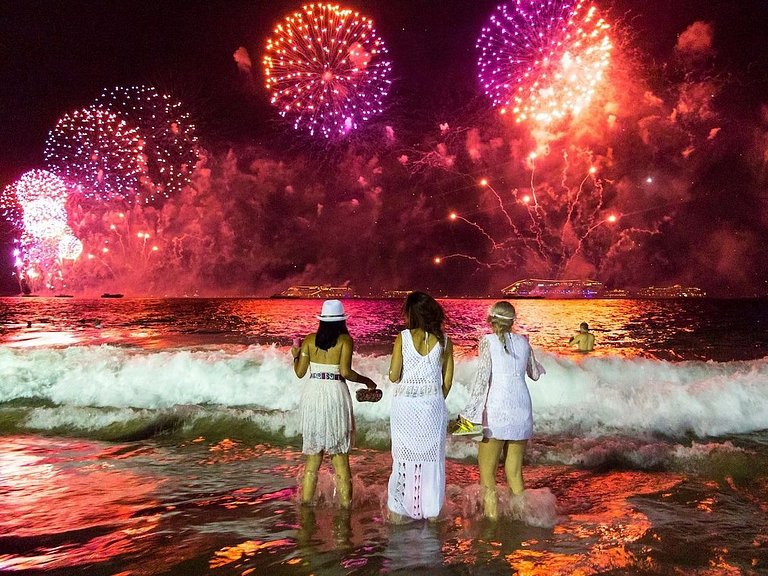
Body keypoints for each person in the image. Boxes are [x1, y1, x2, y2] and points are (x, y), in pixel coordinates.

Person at [458, 301, 545, 520]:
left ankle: (492, 523)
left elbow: (482, 380)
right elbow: (534, 374)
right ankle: (523, 519)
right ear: (512, 321)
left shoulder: (487, 341)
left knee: (488, 476)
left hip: (497, 408)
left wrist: (468, 417)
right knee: (515, 472)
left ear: (492, 320)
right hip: (521, 408)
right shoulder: (524, 341)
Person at [292, 299, 378, 508]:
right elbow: (346, 372)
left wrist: (296, 355)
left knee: (313, 460)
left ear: (321, 320)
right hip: (334, 393)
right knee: (340, 460)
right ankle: (345, 509)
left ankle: (305, 506)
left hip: (313, 393)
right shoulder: (345, 341)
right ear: (342, 322)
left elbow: (300, 372)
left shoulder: (309, 340)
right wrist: (367, 381)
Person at [387, 291, 454, 521]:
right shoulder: (444, 341)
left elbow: (394, 375)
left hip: (404, 407)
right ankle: (431, 512)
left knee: (402, 458)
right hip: (432, 406)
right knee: (432, 460)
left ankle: (400, 512)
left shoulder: (402, 337)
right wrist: (434, 399)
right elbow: (447, 381)